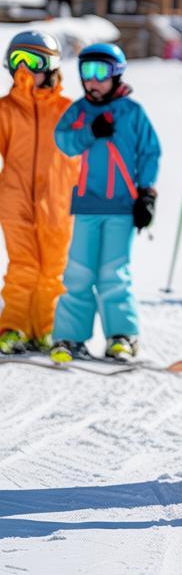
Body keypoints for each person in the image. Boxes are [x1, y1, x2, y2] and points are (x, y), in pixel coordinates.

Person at [49, 43, 161, 363]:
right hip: (86, 206)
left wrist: (147, 195)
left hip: (122, 208)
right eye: (86, 72)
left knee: (114, 274)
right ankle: (69, 337)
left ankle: (121, 336)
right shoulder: (79, 112)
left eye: (100, 73)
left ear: (116, 74)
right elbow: (64, 142)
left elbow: (150, 153)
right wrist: (89, 132)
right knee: (79, 273)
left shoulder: (132, 112)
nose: (92, 81)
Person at [0, 32, 79, 355]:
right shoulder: (5, 110)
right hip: (14, 198)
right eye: (17, 60)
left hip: (59, 202)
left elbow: (90, 153)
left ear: (51, 67)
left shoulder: (69, 111)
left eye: (32, 62)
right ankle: (13, 327)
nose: (25, 69)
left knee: (52, 268)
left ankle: (45, 328)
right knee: (23, 265)